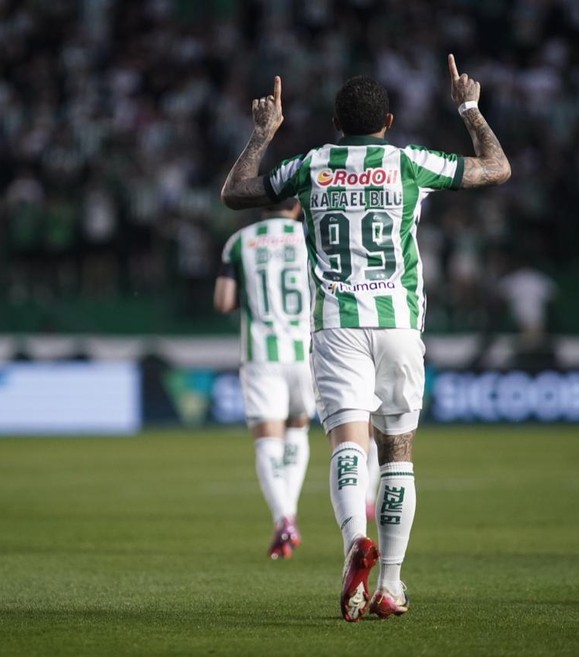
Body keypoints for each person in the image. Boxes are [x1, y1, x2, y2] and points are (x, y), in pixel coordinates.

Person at [220, 54, 511, 621]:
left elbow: (236, 192)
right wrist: (470, 108)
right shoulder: (407, 162)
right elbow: (496, 167)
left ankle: (357, 539)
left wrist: (262, 134)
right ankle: (393, 585)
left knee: (347, 444)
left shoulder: (312, 165)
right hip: (399, 322)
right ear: (390, 121)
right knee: (397, 451)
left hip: (337, 324)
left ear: (334, 121)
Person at [213, 198, 314, 560]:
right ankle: (289, 510)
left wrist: (257, 296)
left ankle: (284, 517)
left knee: (267, 441)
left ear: (260, 207)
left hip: (261, 353)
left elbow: (224, 301)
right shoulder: (311, 235)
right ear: (297, 206)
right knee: (297, 430)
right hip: (307, 351)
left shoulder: (241, 241)